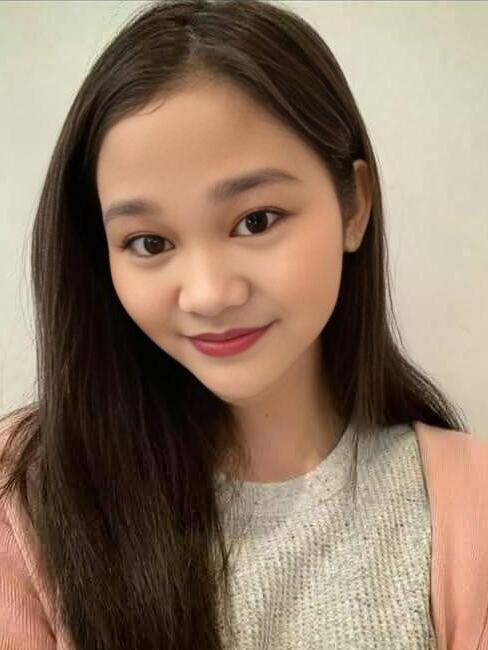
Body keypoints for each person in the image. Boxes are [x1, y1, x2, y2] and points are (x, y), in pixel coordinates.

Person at [0, 1, 484, 649]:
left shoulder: (468, 505)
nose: (208, 294)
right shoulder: (24, 499)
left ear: (354, 205)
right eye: (148, 242)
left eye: (255, 221)